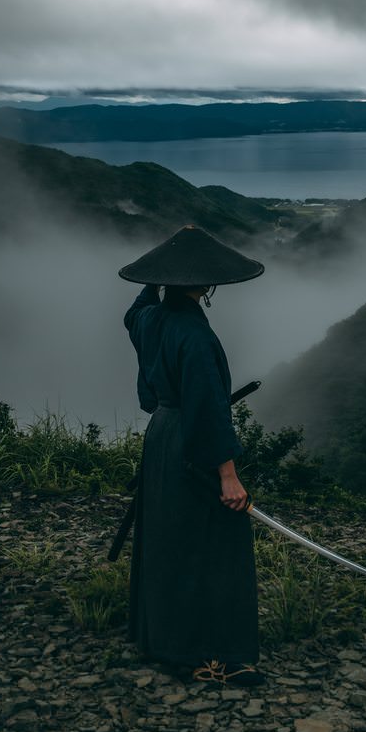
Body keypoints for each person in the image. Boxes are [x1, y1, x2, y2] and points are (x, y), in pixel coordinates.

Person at [119, 225, 265, 686]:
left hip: (161, 437)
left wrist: (157, 275)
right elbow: (208, 410)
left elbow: (133, 312)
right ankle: (210, 655)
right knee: (213, 543)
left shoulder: (151, 319)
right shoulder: (196, 337)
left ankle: (164, 639)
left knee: (170, 538)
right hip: (189, 438)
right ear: (207, 285)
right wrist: (228, 475)